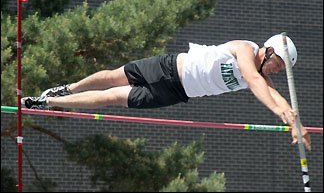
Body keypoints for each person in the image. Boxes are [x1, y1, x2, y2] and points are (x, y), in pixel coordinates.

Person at [22, 34, 311, 150]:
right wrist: (281, 110)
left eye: (280, 70)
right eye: (277, 64)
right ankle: (69, 88)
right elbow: (255, 81)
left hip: (175, 92)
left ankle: (49, 103)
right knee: (113, 77)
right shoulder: (246, 50)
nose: (275, 71)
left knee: (114, 98)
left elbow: (272, 94)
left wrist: (293, 120)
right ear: (269, 50)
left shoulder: (261, 78)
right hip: (167, 67)